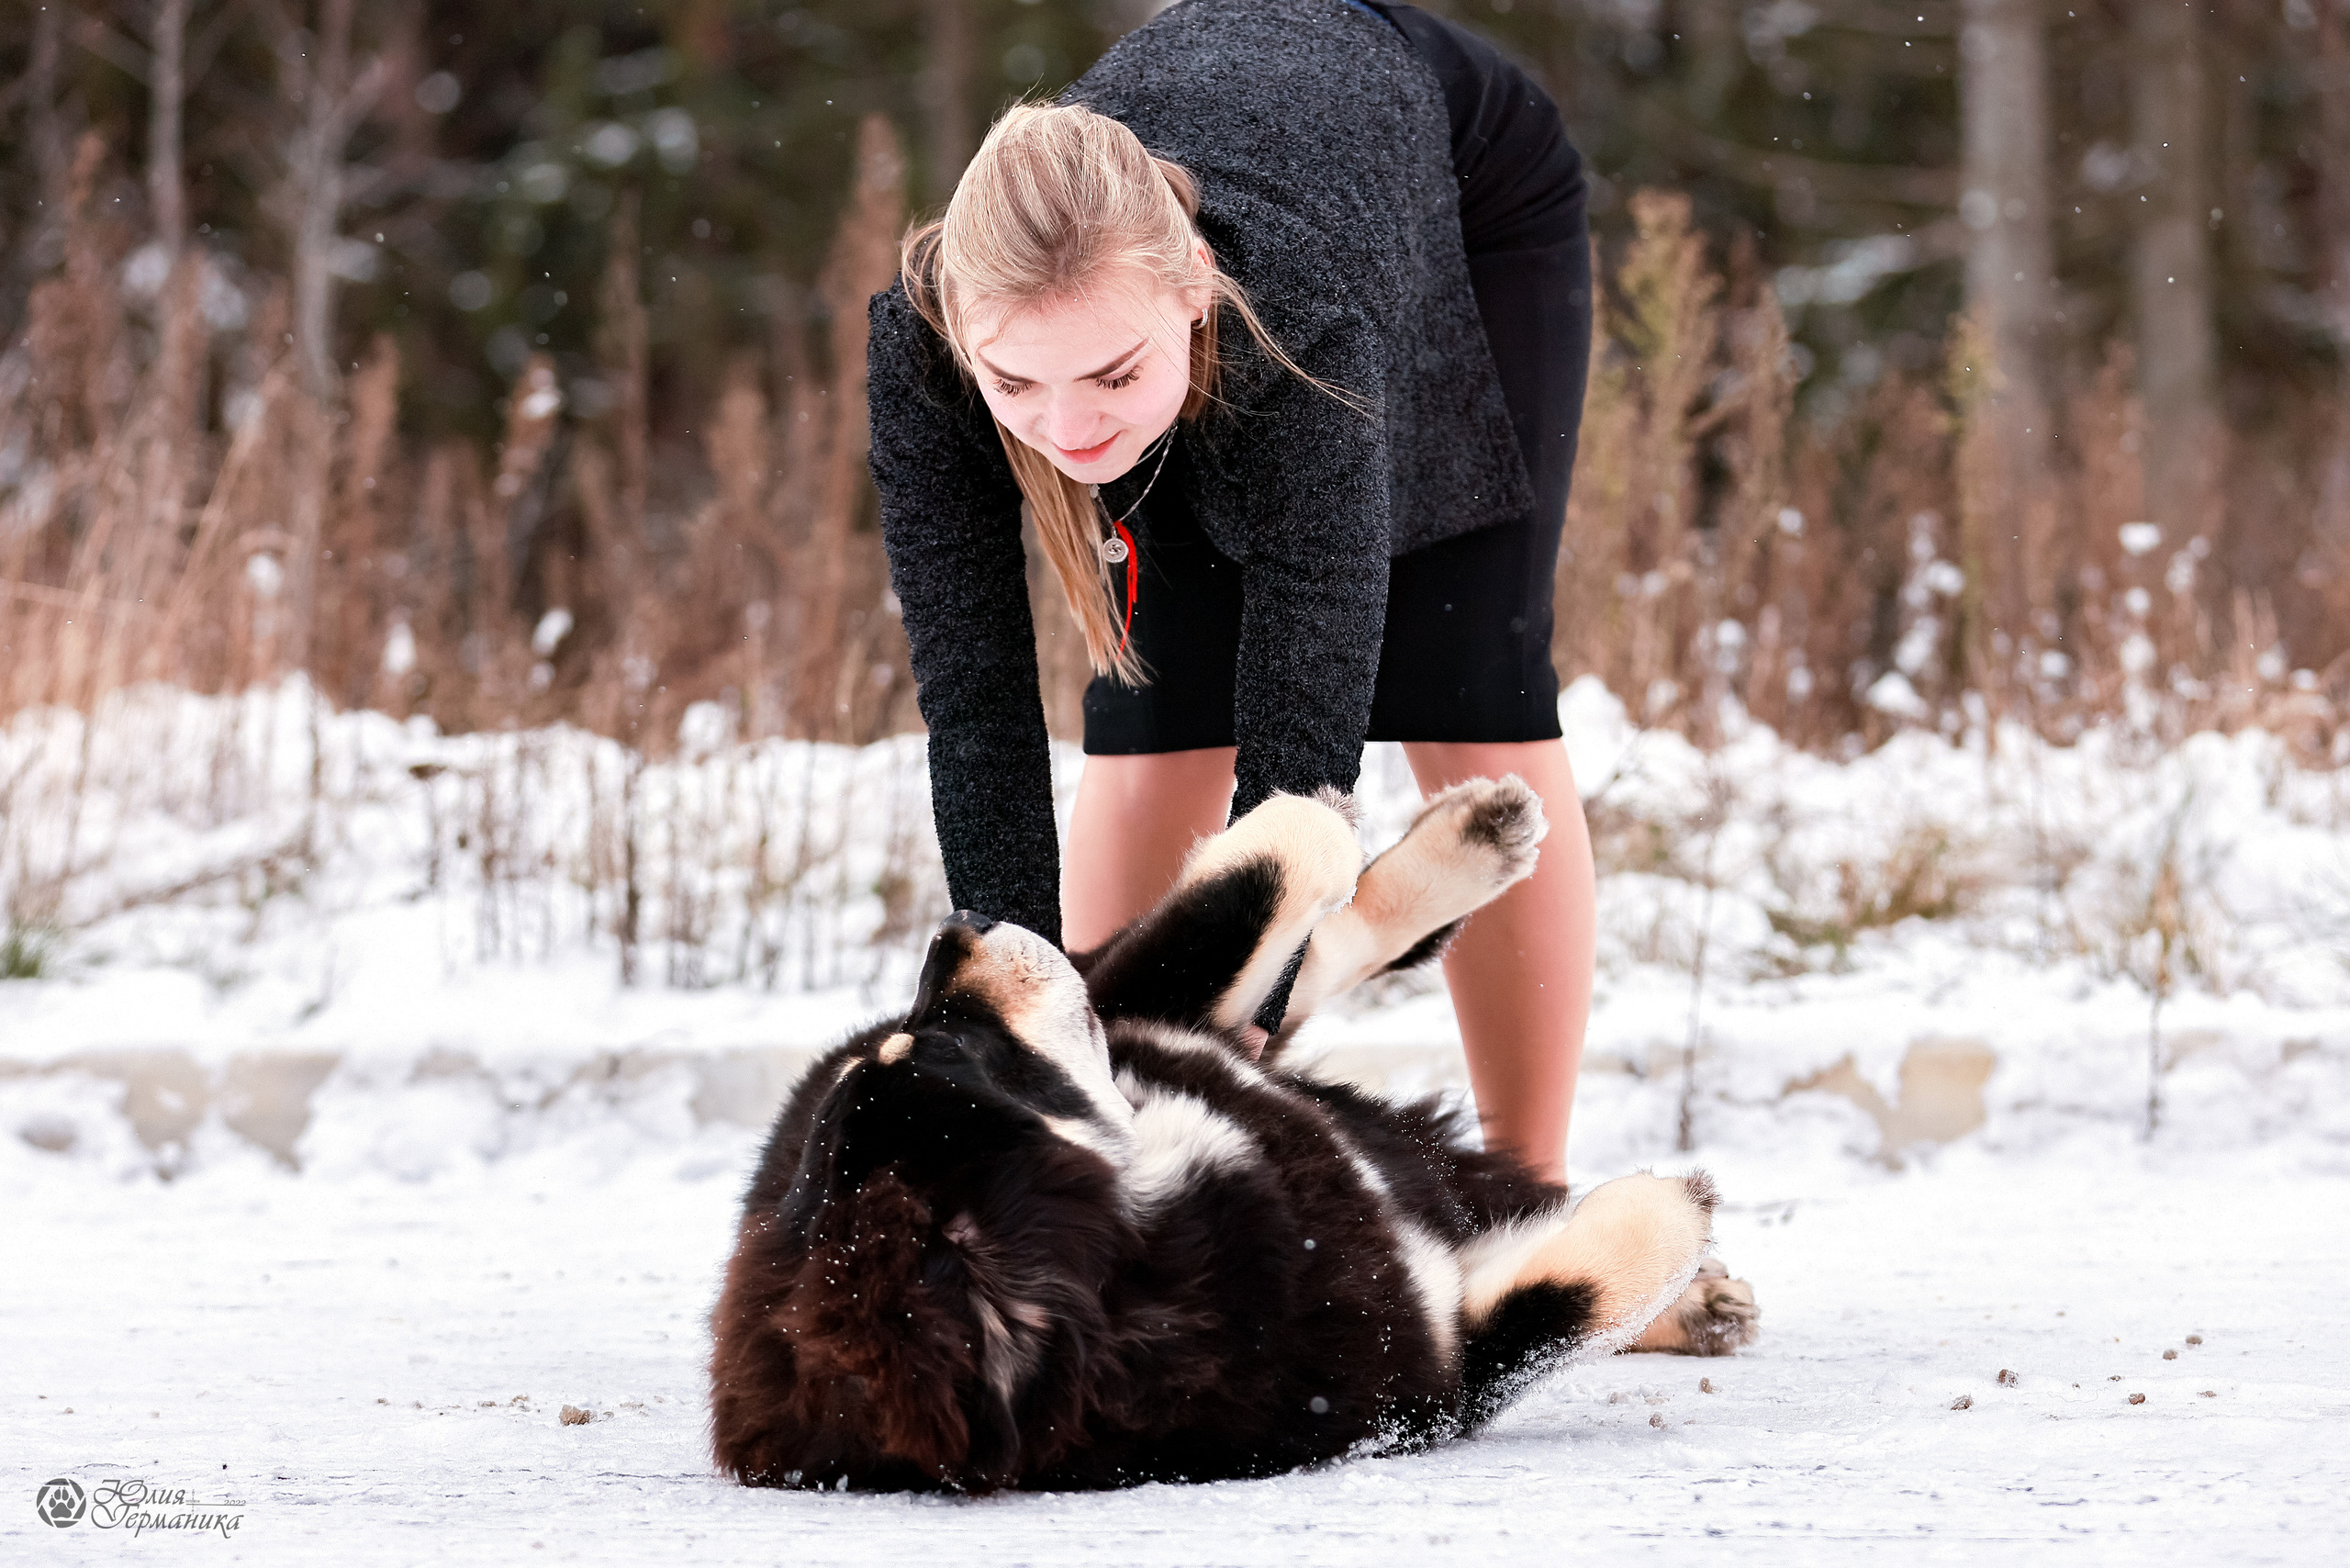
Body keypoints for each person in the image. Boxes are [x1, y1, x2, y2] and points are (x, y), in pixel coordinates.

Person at [867, 0, 1595, 1185]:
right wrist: (1019, 1012)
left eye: (1112, 378)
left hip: (1463, 201)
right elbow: (977, 699)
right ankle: (1117, 1167)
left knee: (1469, 695)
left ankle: (1534, 1204)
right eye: (1017, 387)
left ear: (1194, 288)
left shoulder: (1302, 337)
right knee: (1161, 721)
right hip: (1231, 235)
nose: (1068, 430)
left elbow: (1302, 763)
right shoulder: (926, 345)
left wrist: (1259, 988)